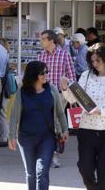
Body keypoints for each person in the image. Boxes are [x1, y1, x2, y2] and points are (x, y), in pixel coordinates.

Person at [61, 46, 105, 190]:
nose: (95, 64)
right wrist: (65, 88)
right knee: (85, 167)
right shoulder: (86, 75)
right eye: (92, 61)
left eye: (98, 60)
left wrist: (100, 111)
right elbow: (73, 99)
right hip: (87, 129)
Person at [8, 61, 69, 190]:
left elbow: (60, 112)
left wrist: (64, 130)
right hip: (26, 138)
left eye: (47, 72)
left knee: (42, 171)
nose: (46, 75)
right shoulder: (22, 91)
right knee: (31, 173)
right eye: (43, 73)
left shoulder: (51, 90)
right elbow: (14, 115)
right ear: (33, 75)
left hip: (47, 137)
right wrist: (11, 136)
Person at [37, 29, 76, 167]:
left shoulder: (64, 55)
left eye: (43, 39)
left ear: (51, 41)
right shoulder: (41, 56)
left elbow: (72, 77)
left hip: (60, 95)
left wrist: (69, 92)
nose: (41, 42)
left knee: (54, 122)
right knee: (46, 123)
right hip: (43, 94)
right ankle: (52, 147)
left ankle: (53, 154)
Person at [0, 38, 12, 148]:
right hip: (6, 88)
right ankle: (3, 136)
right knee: (2, 112)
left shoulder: (2, 56)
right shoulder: (6, 56)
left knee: (2, 112)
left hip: (4, 88)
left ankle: (3, 137)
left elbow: (3, 75)